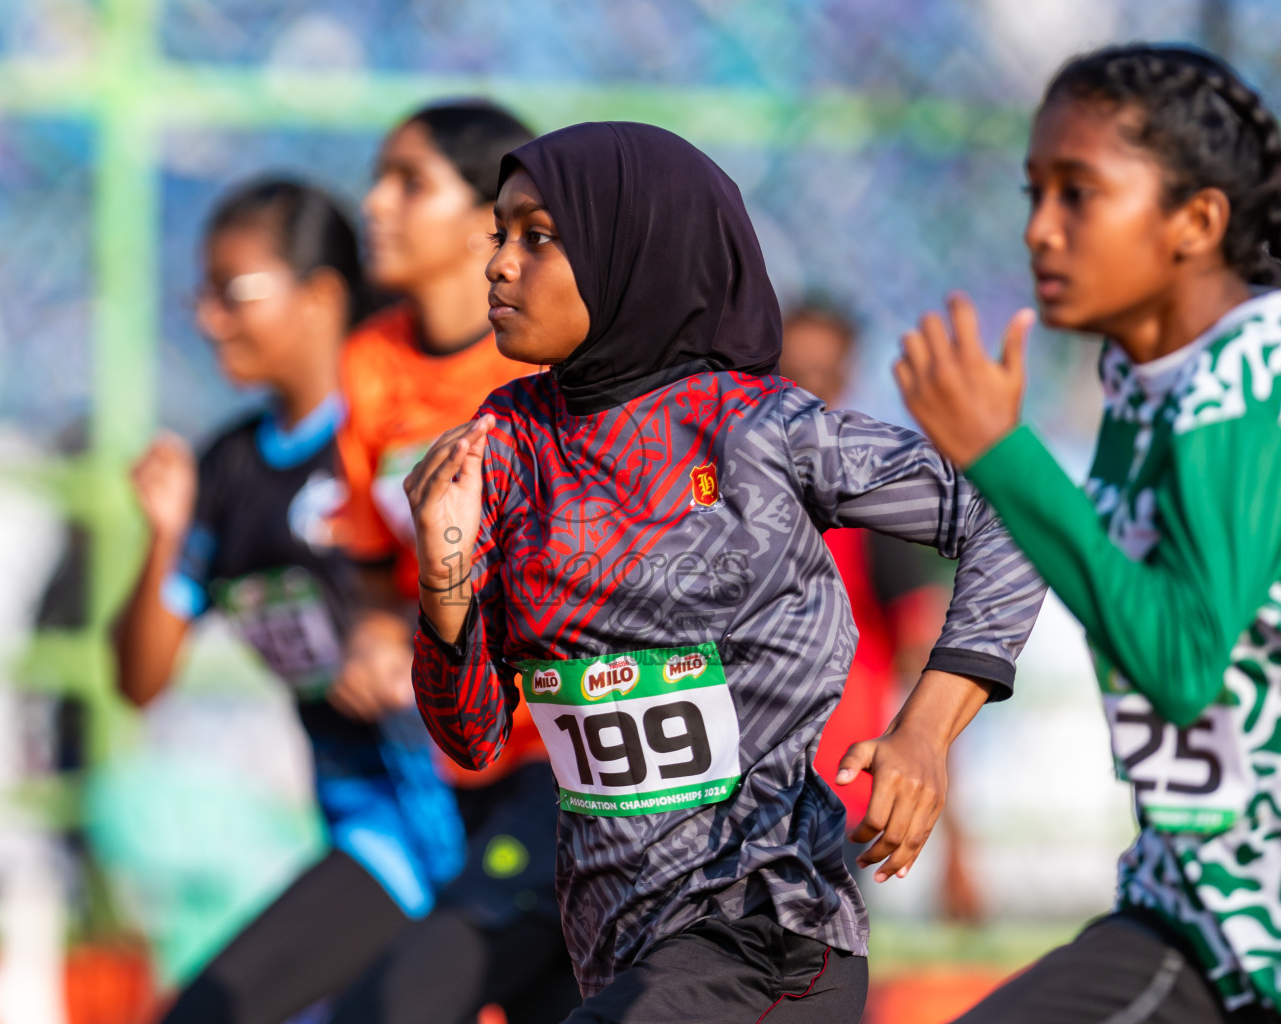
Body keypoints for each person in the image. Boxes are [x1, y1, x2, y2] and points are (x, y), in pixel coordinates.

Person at [404, 121, 1047, 1023]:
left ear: (636, 251)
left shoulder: (761, 429)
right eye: (499, 236)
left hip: (767, 927)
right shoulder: (504, 439)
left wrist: (929, 730)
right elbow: (468, 735)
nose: (500, 265)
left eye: (538, 236)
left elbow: (1015, 521)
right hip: (610, 943)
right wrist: (444, 585)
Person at [896, 45, 1281, 1023]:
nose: (1039, 231)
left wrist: (1004, 456)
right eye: (1036, 191)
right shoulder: (1145, 378)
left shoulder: (1256, 378)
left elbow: (1185, 658)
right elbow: (1077, 565)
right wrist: (930, 723)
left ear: (1196, 221)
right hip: (1193, 895)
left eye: (1079, 195)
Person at [112, 179, 464, 1024]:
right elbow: (139, 680)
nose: (208, 318)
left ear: (320, 297)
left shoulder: (391, 439)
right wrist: (161, 537)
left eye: (234, 293)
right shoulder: (230, 473)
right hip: (361, 835)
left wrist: (395, 644)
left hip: (446, 828)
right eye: (202, 294)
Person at [323, 101, 582, 1024]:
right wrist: (379, 633)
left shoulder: (547, 365)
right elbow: (371, 563)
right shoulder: (367, 364)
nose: (377, 203)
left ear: (490, 219)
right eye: (378, 176)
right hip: (458, 760)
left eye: (410, 181)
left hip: (567, 760)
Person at [779, 301, 978, 921]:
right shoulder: (722, 496)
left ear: (845, 383)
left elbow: (933, 668)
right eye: (789, 373)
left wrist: (958, 840)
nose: (805, 392)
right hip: (721, 794)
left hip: (831, 796)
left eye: (823, 375)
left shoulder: (872, 514)